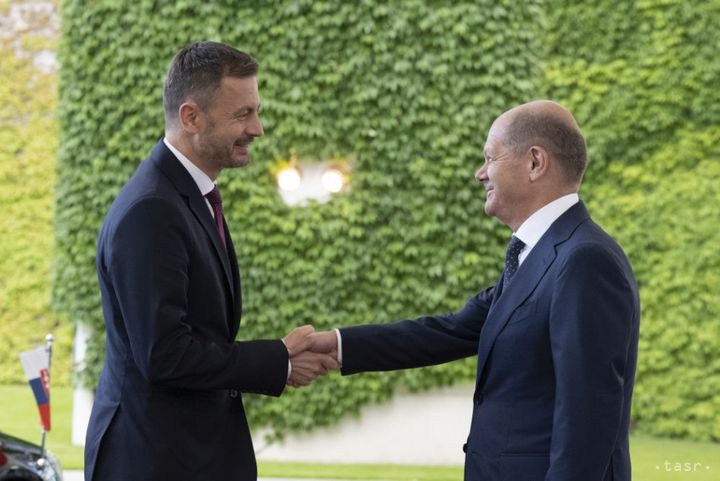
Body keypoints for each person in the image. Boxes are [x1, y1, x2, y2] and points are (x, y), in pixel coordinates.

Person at [310, 100, 640, 481]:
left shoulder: (584, 260)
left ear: (535, 162)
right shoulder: (538, 253)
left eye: (489, 158)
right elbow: (449, 331)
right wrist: (337, 346)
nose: (479, 174)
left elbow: (588, 417)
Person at [84, 41, 336, 481]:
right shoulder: (151, 210)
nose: (257, 129)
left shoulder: (186, 197)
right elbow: (165, 356)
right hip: (155, 462)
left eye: (256, 111)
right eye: (243, 115)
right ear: (190, 117)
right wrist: (277, 360)